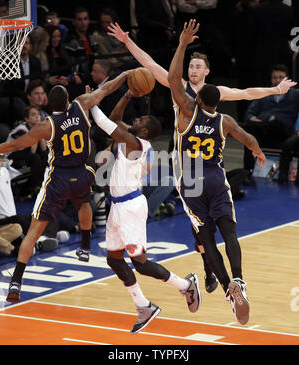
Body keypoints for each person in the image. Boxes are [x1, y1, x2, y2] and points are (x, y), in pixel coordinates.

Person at [107, 20, 296, 294]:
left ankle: (211, 271)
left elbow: (246, 93)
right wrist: (127, 41)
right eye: (191, 66)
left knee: (202, 229)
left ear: (206, 72)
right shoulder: (179, 87)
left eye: (198, 67)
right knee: (200, 230)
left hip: (203, 168)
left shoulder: (214, 94)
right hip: (184, 164)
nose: (193, 70)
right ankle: (211, 269)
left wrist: (275, 91)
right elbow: (148, 63)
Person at [0, 71, 137, 303]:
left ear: (49, 105)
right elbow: (106, 88)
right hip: (82, 174)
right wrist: (124, 75)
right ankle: (85, 244)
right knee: (84, 201)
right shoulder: (82, 104)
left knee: (34, 230)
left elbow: (15, 145)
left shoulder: (46, 126)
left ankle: (16, 282)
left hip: (58, 179)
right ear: (67, 100)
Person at [167, 19, 267, 325]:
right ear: (217, 101)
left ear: (197, 98)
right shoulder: (224, 121)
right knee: (230, 233)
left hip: (191, 184)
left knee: (207, 242)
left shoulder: (186, 112)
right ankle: (239, 280)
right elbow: (248, 138)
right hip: (215, 179)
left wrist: (183, 43)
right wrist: (258, 151)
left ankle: (226, 289)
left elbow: (173, 78)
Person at [90, 78, 201, 335]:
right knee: (114, 260)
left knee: (139, 262)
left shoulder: (135, 144)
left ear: (144, 132)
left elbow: (106, 123)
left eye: (139, 121)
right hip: (117, 206)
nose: (136, 119)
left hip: (130, 207)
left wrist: (91, 103)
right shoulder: (132, 138)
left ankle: (185, 285)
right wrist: (127, 94)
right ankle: (143, 306)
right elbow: (116, 118)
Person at [243, 64, 299, 183]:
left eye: (281, 77)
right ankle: (247, 171)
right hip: (264, 132)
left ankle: (264, 124)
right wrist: (257, 121)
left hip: (284, 133)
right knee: (249, 134)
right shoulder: (264, 93)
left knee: (275, 122)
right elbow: (249, 114)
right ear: (271, 79)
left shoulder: (295, 94)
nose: (277, 80)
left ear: (287, 79)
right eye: (275, 77)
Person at [6, 105, 48, 198]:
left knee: (46, 155)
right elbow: (32, 151)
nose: (37, 116)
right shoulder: (21, 129)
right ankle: (33, 187)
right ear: (27, 119)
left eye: (38, 114)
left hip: (24, 154)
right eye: (33, 115)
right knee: (35, 158)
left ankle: (37, 184)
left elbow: (44, 149)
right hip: (10, 156)